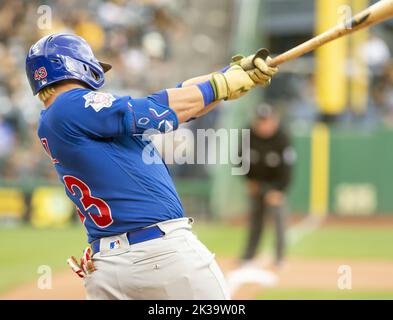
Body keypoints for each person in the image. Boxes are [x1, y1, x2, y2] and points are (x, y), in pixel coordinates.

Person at [25, 33, 278, 300]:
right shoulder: (70, 104)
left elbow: (177, 100)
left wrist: (231, 74)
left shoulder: (60, 118)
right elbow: (155, 110)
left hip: (110, 265)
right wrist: (221, 84)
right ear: (74, 65)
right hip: (159, 255)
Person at [241, 104, 295, 267]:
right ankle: (249, 255)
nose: (263, 124)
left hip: (276, 185)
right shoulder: (247, 135)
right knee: (255, 220)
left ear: (274, 121)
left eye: (266, 121)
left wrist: (279, 190)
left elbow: (288, 167)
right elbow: (239, 159)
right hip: (256, 183)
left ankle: (279, 257)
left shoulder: (282, 137)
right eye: (260, 121)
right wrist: (249, 181)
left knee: (279, 219)